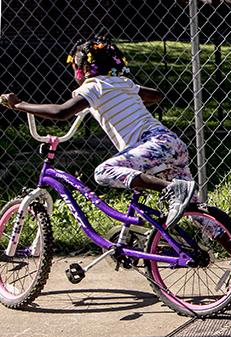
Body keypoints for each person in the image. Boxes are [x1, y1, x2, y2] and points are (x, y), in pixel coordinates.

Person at [0, 37, 197, 230]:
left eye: (74, 67)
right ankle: (226, 244)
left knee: (104, 172)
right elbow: (155, 95)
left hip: (152, 145)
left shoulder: (92, 86)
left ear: (84, 69)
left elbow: (60, 112)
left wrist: (19, 105)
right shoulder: (121, 82)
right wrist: (120, 102)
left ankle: (171, 189)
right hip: (171, 143)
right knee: (197, 212)